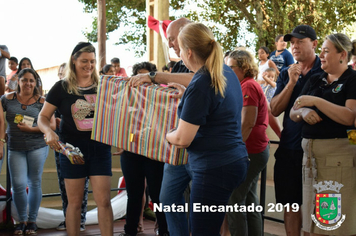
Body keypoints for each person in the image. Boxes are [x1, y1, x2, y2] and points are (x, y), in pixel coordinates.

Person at [166, 22, 249, 236]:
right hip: (234, 159)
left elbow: (183, 138)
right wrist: (188, 94)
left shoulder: (202, 82)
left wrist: (166, 135)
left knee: (203, 230)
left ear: (189, 52)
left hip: (214, 167)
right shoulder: (225, 72)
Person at [38, 42, 113, 236]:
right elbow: (42, 117)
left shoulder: (104, 85)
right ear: (74, 60)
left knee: (104, 201)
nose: (89, 65)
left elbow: (119, 114)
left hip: (100, 149)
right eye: (84, 61)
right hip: (71, 150)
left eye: (93, 61)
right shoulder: (61, 87)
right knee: (74, 203)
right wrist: (48, 132)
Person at [127, 17, 194, 236]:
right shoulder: (180, 64)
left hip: (191, 148)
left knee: (191, 205)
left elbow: (196, 80)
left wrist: (155, 77)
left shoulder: (206, 69)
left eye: (173, 39)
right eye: (169, 40)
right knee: (168, 199)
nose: (172, 44)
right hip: (175, 148)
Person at [290, 33, 356, 236]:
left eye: (326, 51)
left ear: (342, 55)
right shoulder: (316, 77)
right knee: (311, 225)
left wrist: (316, 102)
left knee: (331, 225)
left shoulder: (351, 80)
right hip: (310, 162)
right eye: (322, 51)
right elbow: (294, 111)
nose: (322, 55)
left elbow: (349, 117)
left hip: (335, 162)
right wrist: (304, 111)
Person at [270, 25, 323, 236]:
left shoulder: (327, 70)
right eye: (292, 43)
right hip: (290, 148)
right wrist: (291, 83)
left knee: (319, 208)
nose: (295, 46)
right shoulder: (286, 73)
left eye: (300, 41)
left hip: (318, 149)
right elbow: (274, 109)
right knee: (291, 205)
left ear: (314, 43)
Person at [2, 68, 56, 235]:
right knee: (18, 185)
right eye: (24, 80)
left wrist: (30, 129)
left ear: (36, 83)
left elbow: (52, 126)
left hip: (37, 147)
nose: (28, 83)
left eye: (31, 80)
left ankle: (32, 221)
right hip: (15, 148)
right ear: (18, 81)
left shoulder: (42, 101)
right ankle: (21, 220)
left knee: (34, 183)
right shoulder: (6, 99)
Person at [225, 50, 269, 236]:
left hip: (249, 151)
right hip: (253, 150)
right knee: (249, 200)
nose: (225, 72)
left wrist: (235, 151)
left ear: (243, 67)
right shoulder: (244, 85)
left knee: (234, 200)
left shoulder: (248, 87)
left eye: (230, 67)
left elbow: (248, 123)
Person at [53, 63, 89, 232]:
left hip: (82, 145)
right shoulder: (57, 92)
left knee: (83, 185)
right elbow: (47, 118)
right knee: (64, 184)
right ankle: (68, 219)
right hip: (61, 145)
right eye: (61, 73)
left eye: (65, 72)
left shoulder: (81, 93)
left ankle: (80, 219)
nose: (63, 76)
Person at [261, 67, 282, 138]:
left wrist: (264, 77)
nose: (270, 78)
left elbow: (271, 83)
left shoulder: (274, 84)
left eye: (272, 77)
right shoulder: (261, 86)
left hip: (270, 107)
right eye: (268, 76)